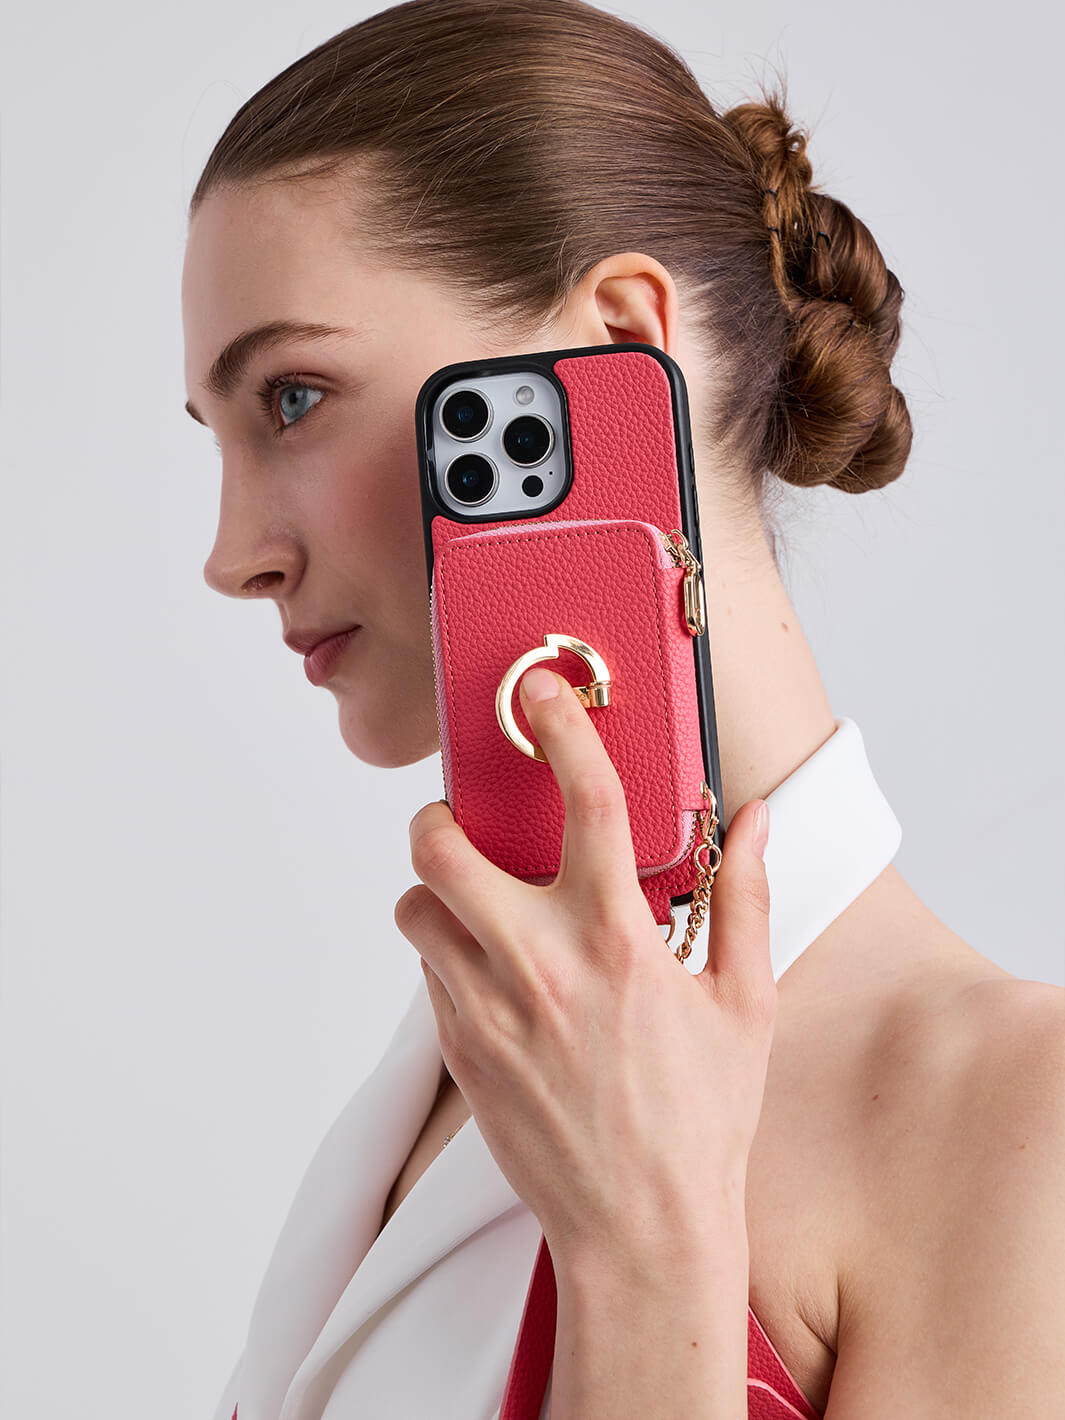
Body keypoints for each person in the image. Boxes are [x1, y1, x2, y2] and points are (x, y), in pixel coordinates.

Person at [181, 2, 1064, 1416]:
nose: (231, 556)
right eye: (220, 436)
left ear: (615, 347)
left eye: (292, 399)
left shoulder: (1015, 1121)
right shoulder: (462, 1057)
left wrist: (648, 1249)